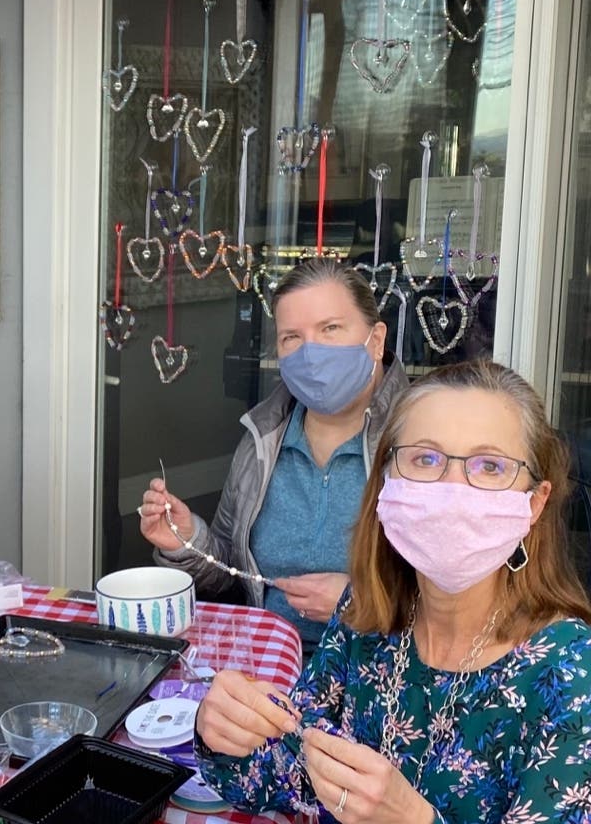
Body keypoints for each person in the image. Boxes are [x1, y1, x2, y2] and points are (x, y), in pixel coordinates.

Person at [193, 360, 591, 823]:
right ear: (385, 481)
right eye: (425, 459)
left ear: (535, 501)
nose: (451, 491)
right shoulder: (364, 616)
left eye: (490, 466)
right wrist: (223, 734)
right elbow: (287, 778)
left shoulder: (571, 675)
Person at [139, 259, 408, 651]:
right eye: (292, 338)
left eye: (330, 328)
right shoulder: (262, 438)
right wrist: (184, 541)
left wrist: (360, 603)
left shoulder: (423, 443)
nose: (310, 352)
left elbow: (463, 598)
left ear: (377, 339)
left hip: (382, 674)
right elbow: (231, 576)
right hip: (267, 661)